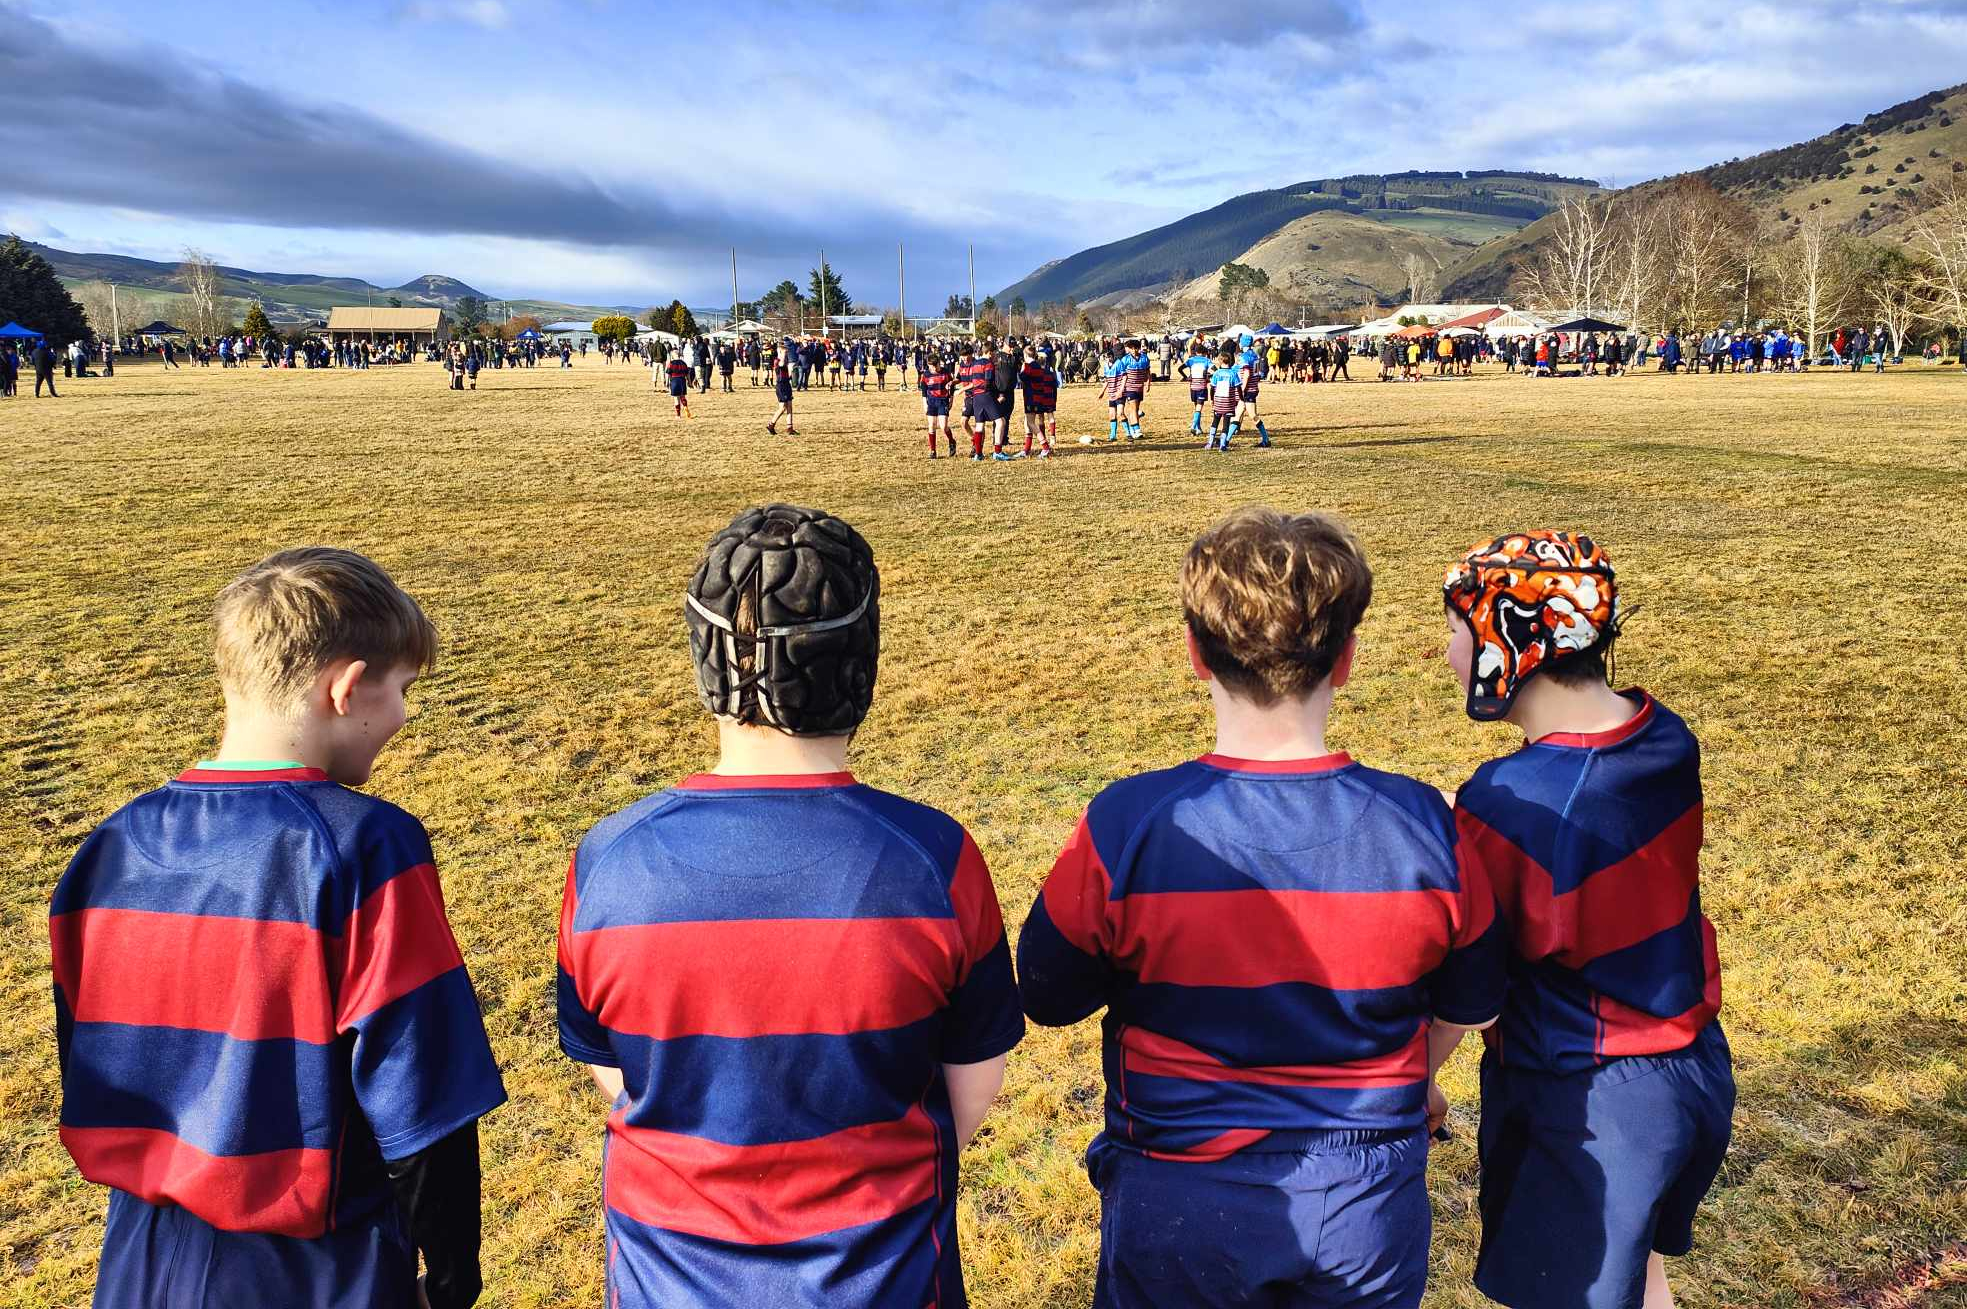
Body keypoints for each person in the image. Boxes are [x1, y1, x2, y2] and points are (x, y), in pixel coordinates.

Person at [1017, 508, 1504, 1309]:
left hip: (1177, 1190)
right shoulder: (1427, 825)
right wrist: (1415, 1073)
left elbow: (1048, 994)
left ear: (1194, 653)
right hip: (1367, 1201)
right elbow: (1473, 999)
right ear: (1346, 661)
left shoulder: (1129, 824)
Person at [557, 506, 1024, 1308]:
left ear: (704, 663)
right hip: (883, 1278)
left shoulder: (610, 859)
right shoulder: (935, 858)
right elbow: (972, 1084)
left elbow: (611, 1067)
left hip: (668, 1280)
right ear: (863, 660)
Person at [49, 549, 504, 1309]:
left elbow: (91, 1064)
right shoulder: (365, 847)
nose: (404, 716)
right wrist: (454, 1280)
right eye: (403, 690)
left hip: (138, 1254)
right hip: (319, 1261)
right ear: (345, 688)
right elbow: (423, 1098)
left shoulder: (108, 846)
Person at [1441, 532, 1733, 1309]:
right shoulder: (1662, 734)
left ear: (1509, 645)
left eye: (1458, 631)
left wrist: (1416, 1080)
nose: (1447, 654)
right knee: (1637, 1278)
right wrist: (1469, 818)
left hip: (1588, 1101)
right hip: (1691, 1069)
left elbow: (1475, 984)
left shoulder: (1511, 804)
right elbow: (1578, 830)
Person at [1016, 342, 1058, 459]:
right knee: (1027, 423)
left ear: (1025, 355)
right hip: (1037, 397)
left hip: (1031, 398)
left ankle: (1045, 447)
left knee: (1030, 423)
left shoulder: (1029, 366)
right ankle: (1026, 449)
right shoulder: (1038, 366)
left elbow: (1022, 379)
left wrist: (1022, 369)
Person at [920, 352, 958, 458]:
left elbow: (952, 387)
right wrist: (925, 403)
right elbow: (924, 389)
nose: (931, 369)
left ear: (938, 364)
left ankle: (951, 441)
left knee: (943, 426)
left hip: (943, 401)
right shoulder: (926, 374)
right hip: (931, 401)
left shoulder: (946, 372)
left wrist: (951, 400)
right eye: (929, 367)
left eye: (933, 367)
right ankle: (933, 451)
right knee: (931, 425)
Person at [1182, 343, 1213, 434]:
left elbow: (1180, 368)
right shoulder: (1207, 360)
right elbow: (1216, 370)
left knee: (1196, 407)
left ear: (1195, 352)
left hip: (1193, 387)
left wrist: (1185, 377)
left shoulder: (1191, 360)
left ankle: (1198, 428)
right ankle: (1193, 425)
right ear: (1204, 353)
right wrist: (1208, 377)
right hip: (1202, 387)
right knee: (1199, 408)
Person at [768, 342, 797, 435]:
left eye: (787, 352)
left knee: (789, 406)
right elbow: (781, 364)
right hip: (781, 385)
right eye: (784, 352)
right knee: (783, 407)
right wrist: (783, 354)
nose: (786, 354)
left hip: (786, 384)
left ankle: (790, 428)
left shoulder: (786, 360)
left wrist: (791, 371)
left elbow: (786, 371)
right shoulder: (777, 360)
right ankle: (771, 425)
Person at [665, 347, 692, 418]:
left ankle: (678, 415)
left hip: (674, 381)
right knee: (682, 396)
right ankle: (685, 407)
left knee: (676, 398)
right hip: (682, 381)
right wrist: (689, 382)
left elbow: (668, 374)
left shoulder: (671, 363)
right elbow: (687, 374)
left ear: (672, 354)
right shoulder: (683, 363)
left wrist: (667, 383)